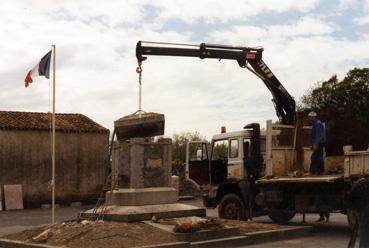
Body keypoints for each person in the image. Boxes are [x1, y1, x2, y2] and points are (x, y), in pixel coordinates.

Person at [308, 111, 329, 222]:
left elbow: (320, 136)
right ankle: (317, 171)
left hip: (319, 144)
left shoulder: (318, 124)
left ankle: (315, 172)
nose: (309, 119)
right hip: (318, 144)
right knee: (316, 158)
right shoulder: (316, 124)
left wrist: (316, 145)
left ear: (314, 117)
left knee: (315, 159)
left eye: (311, 117)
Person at [347, 178, 369, 248]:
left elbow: (349, 203)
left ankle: (363, 246)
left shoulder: (357, 187)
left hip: (363, 211)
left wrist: (355, 209)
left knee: (363, 230)